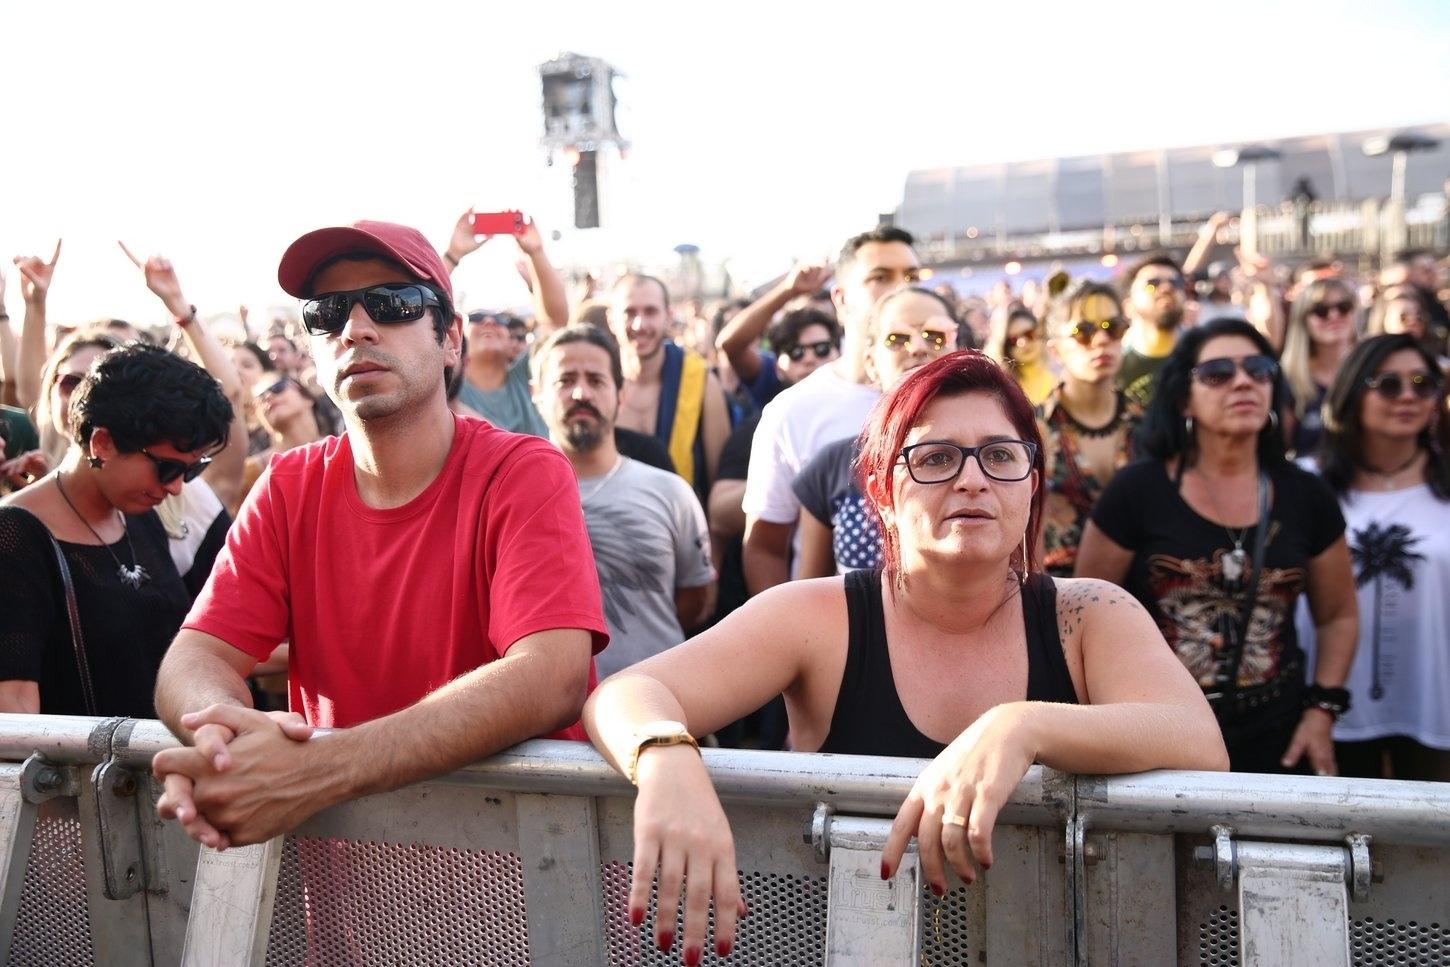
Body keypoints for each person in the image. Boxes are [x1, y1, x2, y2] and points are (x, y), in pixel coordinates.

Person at [583, 351, 1227, 962]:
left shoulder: (1088, 615)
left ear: (1032, 483)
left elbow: (1197, 739)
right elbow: (625, 693)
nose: (972, 478)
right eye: (936, 458)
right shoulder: (817, 617)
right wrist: (666, 759)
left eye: (999, 455)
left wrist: (1022, 726)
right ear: (882, 490)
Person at [149, 219, 608, 852]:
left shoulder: (522, 471)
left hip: (526, 888)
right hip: (350, 892)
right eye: (328, 313)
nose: (356, 329)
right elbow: (194, 659)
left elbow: (551, 675)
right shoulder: (288, 485)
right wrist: (225, 749)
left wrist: (311, 771)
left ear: (450, 341)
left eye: (392, 304)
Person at [1075, 318, 1358, 774]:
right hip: (1157, 734)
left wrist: (1321, 712)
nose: (1243, 382)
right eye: (1218, 373)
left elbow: (1338, 615)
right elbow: (1083, 612)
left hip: (1278, 735)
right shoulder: (1136, 492)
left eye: (1258, 369)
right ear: (1184, 397)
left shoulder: (1307, 495)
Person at [0, 343, 233, 715]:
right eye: (168, 468)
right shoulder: (14, 534)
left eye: (192, 470)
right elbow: (14, 711)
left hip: (162, 763)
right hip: (75, 770)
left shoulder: (140, 511)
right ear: (103, 443)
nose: (176, 487)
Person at [1297, 334, 1450, 780]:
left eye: (1422, 383)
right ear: (1351, 393)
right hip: (1323, 705)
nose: (1407, 396)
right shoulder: (1307, 484)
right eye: (1387, 383)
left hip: (1435, 703)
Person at [742, 227, 921, 594]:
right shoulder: (793, 410)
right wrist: (789, 644)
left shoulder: (965, 401)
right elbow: (764, 547)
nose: (902, 288)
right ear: (841, 299)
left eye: (912, 277)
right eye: (880, 277)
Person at [534, 326, 716, 679]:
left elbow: (695, 597)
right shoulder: (505, 497)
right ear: (536, 394)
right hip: (544, 718)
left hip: (657, 701)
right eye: (565, 380)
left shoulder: (670, 492)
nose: (581, 393)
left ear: (621, 393)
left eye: (597, 380)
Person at [794, 287, 961, 577]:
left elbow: (1023, 583)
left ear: (957, 352)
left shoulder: (1002, 458)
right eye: (898, 339)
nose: (919, 348)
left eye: (935, 336)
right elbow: (809, 591)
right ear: (871, 362)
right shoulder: (834, 464)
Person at [1035, 282, 1144, 578]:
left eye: (1113, 328)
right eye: (1083, 332)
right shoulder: (1031, 430)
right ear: (1056, 350)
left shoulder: (1149, 425)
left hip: (1144, 601)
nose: (1100, 340)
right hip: (1058, 597)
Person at [443, 211, 567, 435]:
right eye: (478, 317)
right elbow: (418, 310)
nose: (489, 321)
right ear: (458, 336)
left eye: (500, 320)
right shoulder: (446, 389)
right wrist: (452, 255)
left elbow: (555, 322)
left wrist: (536, 253)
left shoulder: (526, 376)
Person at [609, 273, 731, 500]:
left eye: (650, 311)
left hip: (682, 521)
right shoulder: (598, 384)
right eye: (629, 312)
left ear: (668, 316)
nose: (640, 324)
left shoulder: (699, 380)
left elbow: (718, 484)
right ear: (611, 319)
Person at [713, 263, 839, 409]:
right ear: (777, 366)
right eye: (796, 352)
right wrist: (789, 290)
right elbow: (728, 344)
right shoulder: (770, 384)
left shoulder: (859, 391)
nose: (809, 359)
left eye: (821, 349)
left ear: (839, 352)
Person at [1282, 277, 1360, 457]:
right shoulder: (1288, 380)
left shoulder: (1376, 370)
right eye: (1321, 310)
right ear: (1303, 320)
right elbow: (1279, 452)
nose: (1334, 316)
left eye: (1343, 307)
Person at [1116, 253, 1186, 406]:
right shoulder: (1113, 367)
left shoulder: (1203, 358)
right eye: (1152, 284)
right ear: (1128, 306)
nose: (1166, 288)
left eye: (1176, 283)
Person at [985, 303, 1054, 406]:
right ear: (1004, 347)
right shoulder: (1001, 389)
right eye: (1013, 340)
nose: (1022, 343)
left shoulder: (1064, 367)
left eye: (1028, 334)